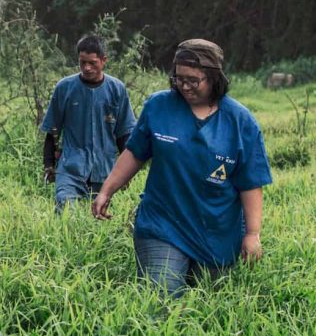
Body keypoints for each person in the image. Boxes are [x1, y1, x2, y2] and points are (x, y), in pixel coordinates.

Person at [92, 39, 272, 297]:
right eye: (179, 78)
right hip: (163, 223)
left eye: (193, 80)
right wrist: (106, 191)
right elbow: (134, 153)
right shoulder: (158, 106)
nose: (184, 86)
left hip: (215, 230)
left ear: (213, 78)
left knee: (209, 298)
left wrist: (253, 234)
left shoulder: (241, 122)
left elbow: (250, 182)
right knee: (163, 296)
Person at [41, 35, 136, 213]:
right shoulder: (64, 88)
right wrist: (48, 165)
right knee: (66, 210)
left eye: (92, 63)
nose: (87, 68)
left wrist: (125, 174)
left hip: (105, 169)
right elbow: (52, 130)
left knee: (101, 218)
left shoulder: (117, 89)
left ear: (104, 60)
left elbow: (124, 135)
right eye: (82, 62)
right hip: (71, 167)